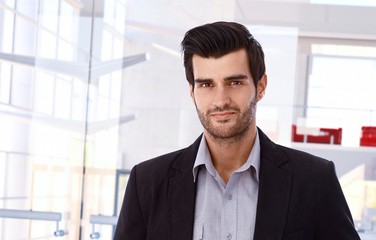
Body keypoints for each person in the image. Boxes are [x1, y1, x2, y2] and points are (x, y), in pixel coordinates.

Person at [114, 21, 360, 240]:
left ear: (260, 86)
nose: (221, 100)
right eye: (207, 84)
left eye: (234, 82)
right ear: (192, 92)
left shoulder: (315, 180)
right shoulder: (146, 182)